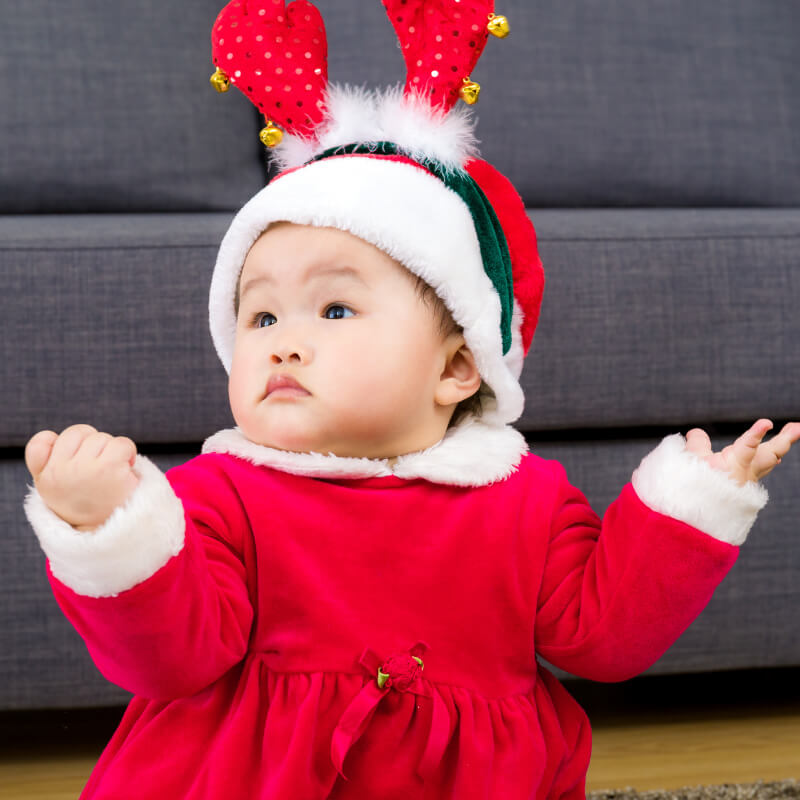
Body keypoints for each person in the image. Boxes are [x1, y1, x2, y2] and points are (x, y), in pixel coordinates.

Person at [21, 1, 800, 798]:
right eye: (259, 315)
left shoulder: (526, 503)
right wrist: (106, 524)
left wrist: (692, 508)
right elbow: (165, 660)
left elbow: (603, 639)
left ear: (458, 368)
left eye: (334, 310)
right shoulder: (217, 498)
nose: (281, 342)